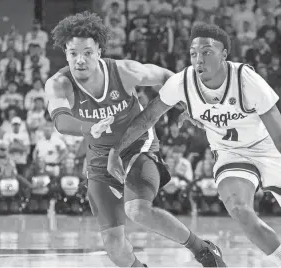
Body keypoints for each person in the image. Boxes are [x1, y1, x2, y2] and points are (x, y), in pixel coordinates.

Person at [108, 22, 281, 268]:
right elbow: (148, 117)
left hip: (267, 148)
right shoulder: (182, 82)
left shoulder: (247, 80)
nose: (198, 60)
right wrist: (115, 151)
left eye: (207, 52)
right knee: (240, 210)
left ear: (224, 55)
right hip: (230, 154)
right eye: (194, 53)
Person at [45, 12, 226, 268]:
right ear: (65, 52)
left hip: (137, 144)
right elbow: (61, 120)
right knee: (113, 244)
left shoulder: (123, 71)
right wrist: (89, 127)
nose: (80, 60)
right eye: (73, 53)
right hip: (98, 157)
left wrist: (188, 102)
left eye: (87, 52)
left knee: (137, 210)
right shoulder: (58, 83)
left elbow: (167, 77)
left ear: (99, 50)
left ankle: (203, 250)